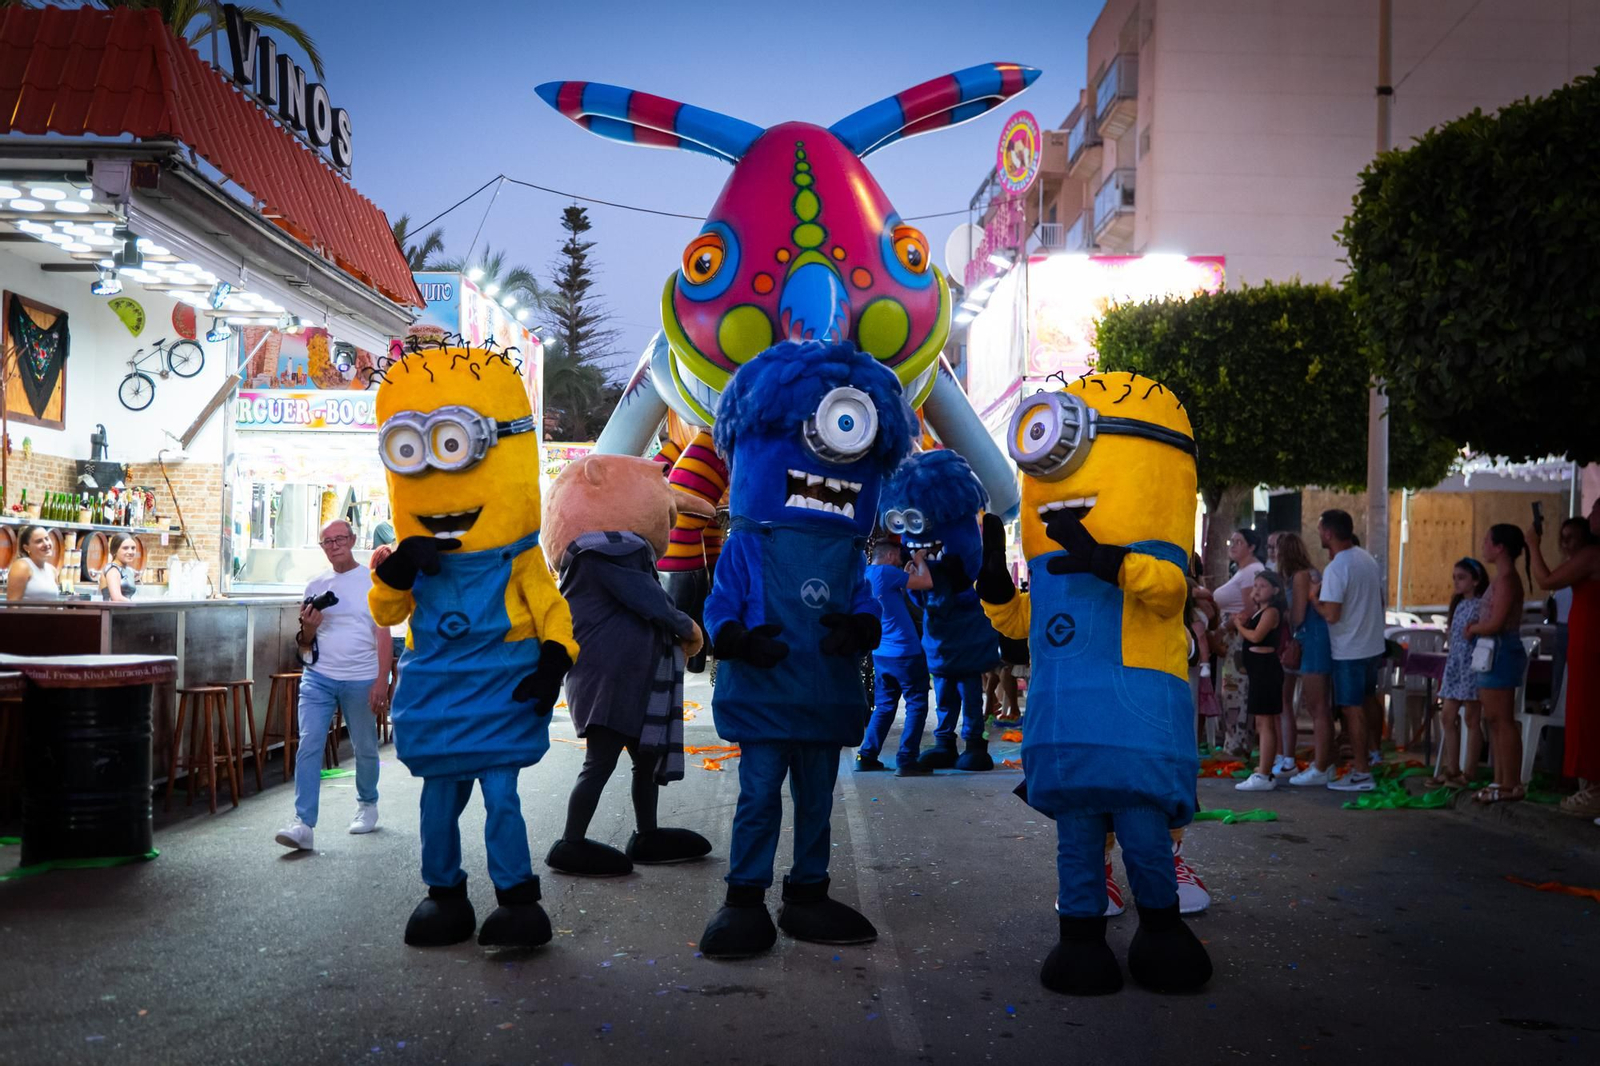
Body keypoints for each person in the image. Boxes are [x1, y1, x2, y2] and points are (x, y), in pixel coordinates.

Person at [274, 519, 392, 850]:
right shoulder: (315, 584)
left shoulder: (372, 583)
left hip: (361, 677)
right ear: (322, 547)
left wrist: (381, 681)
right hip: (319, 677)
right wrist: (310, 627)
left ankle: (367, 803)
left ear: (352, 540)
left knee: (364, 746)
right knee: (309, 743)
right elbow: (305, 644)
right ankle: (303, 824)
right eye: (327, 541)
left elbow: (383, 635)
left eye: (340, 539)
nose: (334, 545)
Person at [1291, 509, 1384, 791]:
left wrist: (1313, 599)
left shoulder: (1337, 567)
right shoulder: (1366, 559)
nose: (1319, 534)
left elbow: (1331, 614)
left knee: (1351, 709)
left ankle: (1361, 771)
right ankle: (1374, 754)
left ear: (1329, 533)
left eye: (1320, 530)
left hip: (1349, 648)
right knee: (1368, 701)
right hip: (1371, 645)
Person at [1529, 500, 1600, 816]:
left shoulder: (1592, 555)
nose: (1591, 514)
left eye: (1597, 510)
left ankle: (1593, 788)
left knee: (1587, 710)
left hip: (1591, 641)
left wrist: (1533, 545)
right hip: (1584, 637)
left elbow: (1545, 580)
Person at [1464, 524, 1531, 803]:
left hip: (1501, 649)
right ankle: (1500, 780)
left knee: (1502, 719)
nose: (1483, 545)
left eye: (1487, 541)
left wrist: (1473, 629)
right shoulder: (1501, 578)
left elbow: (1497, 622)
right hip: (1492, 650)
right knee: (1493, 718)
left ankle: (1510, 783)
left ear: (1500, 547)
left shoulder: (1507, 580)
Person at [857, 540, 933, 776]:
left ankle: (867, 755)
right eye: (899, 557)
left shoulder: (867, 574)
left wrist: (907, 574)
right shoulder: (887, 572)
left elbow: (895, 597)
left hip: (882, 654)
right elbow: (926, 582)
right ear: (890, 555)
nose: (901, 561)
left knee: (885, 705)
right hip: (905, 652)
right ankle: (907, 759)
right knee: (916, 704)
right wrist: (919, 559)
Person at [1429, 558, 1488, 788]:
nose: (1457, 582)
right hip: (1455, 665)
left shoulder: (1481, 605)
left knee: (1472, 718)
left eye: (1462, 577)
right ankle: (1452, 768)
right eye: (1455, 578)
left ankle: (1469, 771)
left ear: (1476, 580)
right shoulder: (1459, 604)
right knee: (1447, 715)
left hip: (1471, 665)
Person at [1276, 533, 1327, 778]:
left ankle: (1319, 765)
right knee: (1314, 705)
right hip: (1311, 639)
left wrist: (1277, 612)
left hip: (1309, 639)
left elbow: (1297, 615)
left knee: (1316, 706)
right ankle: (1317, 762)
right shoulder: (1312, 573)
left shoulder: (1299, 576)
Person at [1211, 528, 1265, 756]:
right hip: (1232, 637)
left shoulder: (1252, 571)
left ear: (1251, 547)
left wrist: (1224, 629)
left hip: (1239, 638)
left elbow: (1249, 609)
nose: (1233, 545)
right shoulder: (1241, 571)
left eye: (1239, 542)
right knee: (1231, 690)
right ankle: (1234, 741)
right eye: (1231, 541)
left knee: (1236, 690)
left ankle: (1237, 744)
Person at [1232, 571, 1287, 790]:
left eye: (1263, 586)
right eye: (1256, 585)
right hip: (1257, 670)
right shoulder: (1259, 611)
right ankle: (1264, 766)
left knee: (1265, 721)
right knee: (1261, 721)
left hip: (1266, 670)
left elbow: (1256, 637)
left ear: (1275, 590)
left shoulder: (1272, 612)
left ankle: (1264, 774)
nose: (1257, 589)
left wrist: (1238, 626)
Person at [6, 526, 59, 601]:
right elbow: (13, 603)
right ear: (26, 548)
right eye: (39, 541)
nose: (46, 544)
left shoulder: (52, 570)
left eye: (47, 538)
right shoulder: (22, 566)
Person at [100, 533, 141, 601]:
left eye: (133, 548)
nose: (130, 552)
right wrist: (136, 605)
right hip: (113, 608)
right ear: (115, 550)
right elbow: (117, 598)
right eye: (125, 548)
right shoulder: (112, 570)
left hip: (127, 607)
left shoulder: (129, 570)